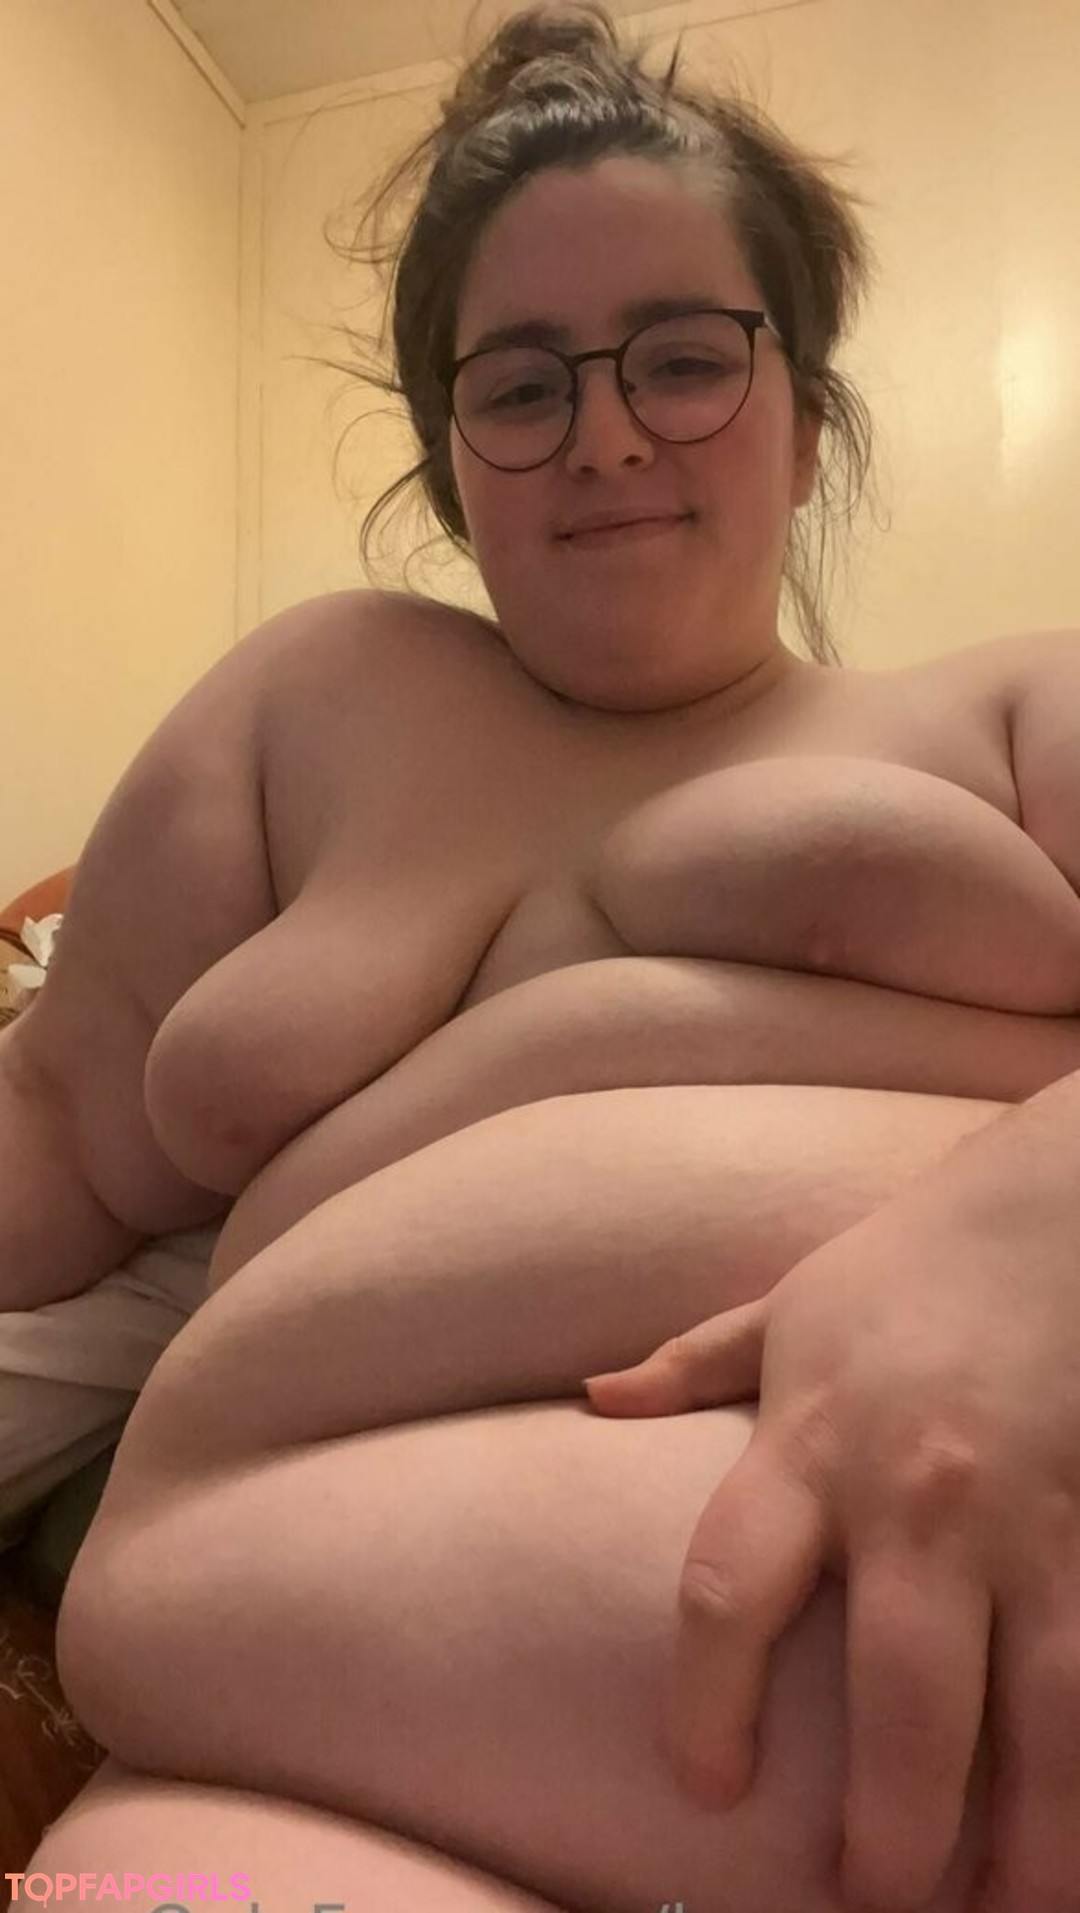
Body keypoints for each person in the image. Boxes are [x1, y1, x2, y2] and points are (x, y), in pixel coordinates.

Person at [10, 4, 1080, 1907]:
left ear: (808, 421)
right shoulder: (317, 703)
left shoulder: (1012, 709)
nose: (605, 435)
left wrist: (1030, 1232)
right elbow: (56, 1131)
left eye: (685, 359)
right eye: (521, 387)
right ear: (452, 468)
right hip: (286, 1727)